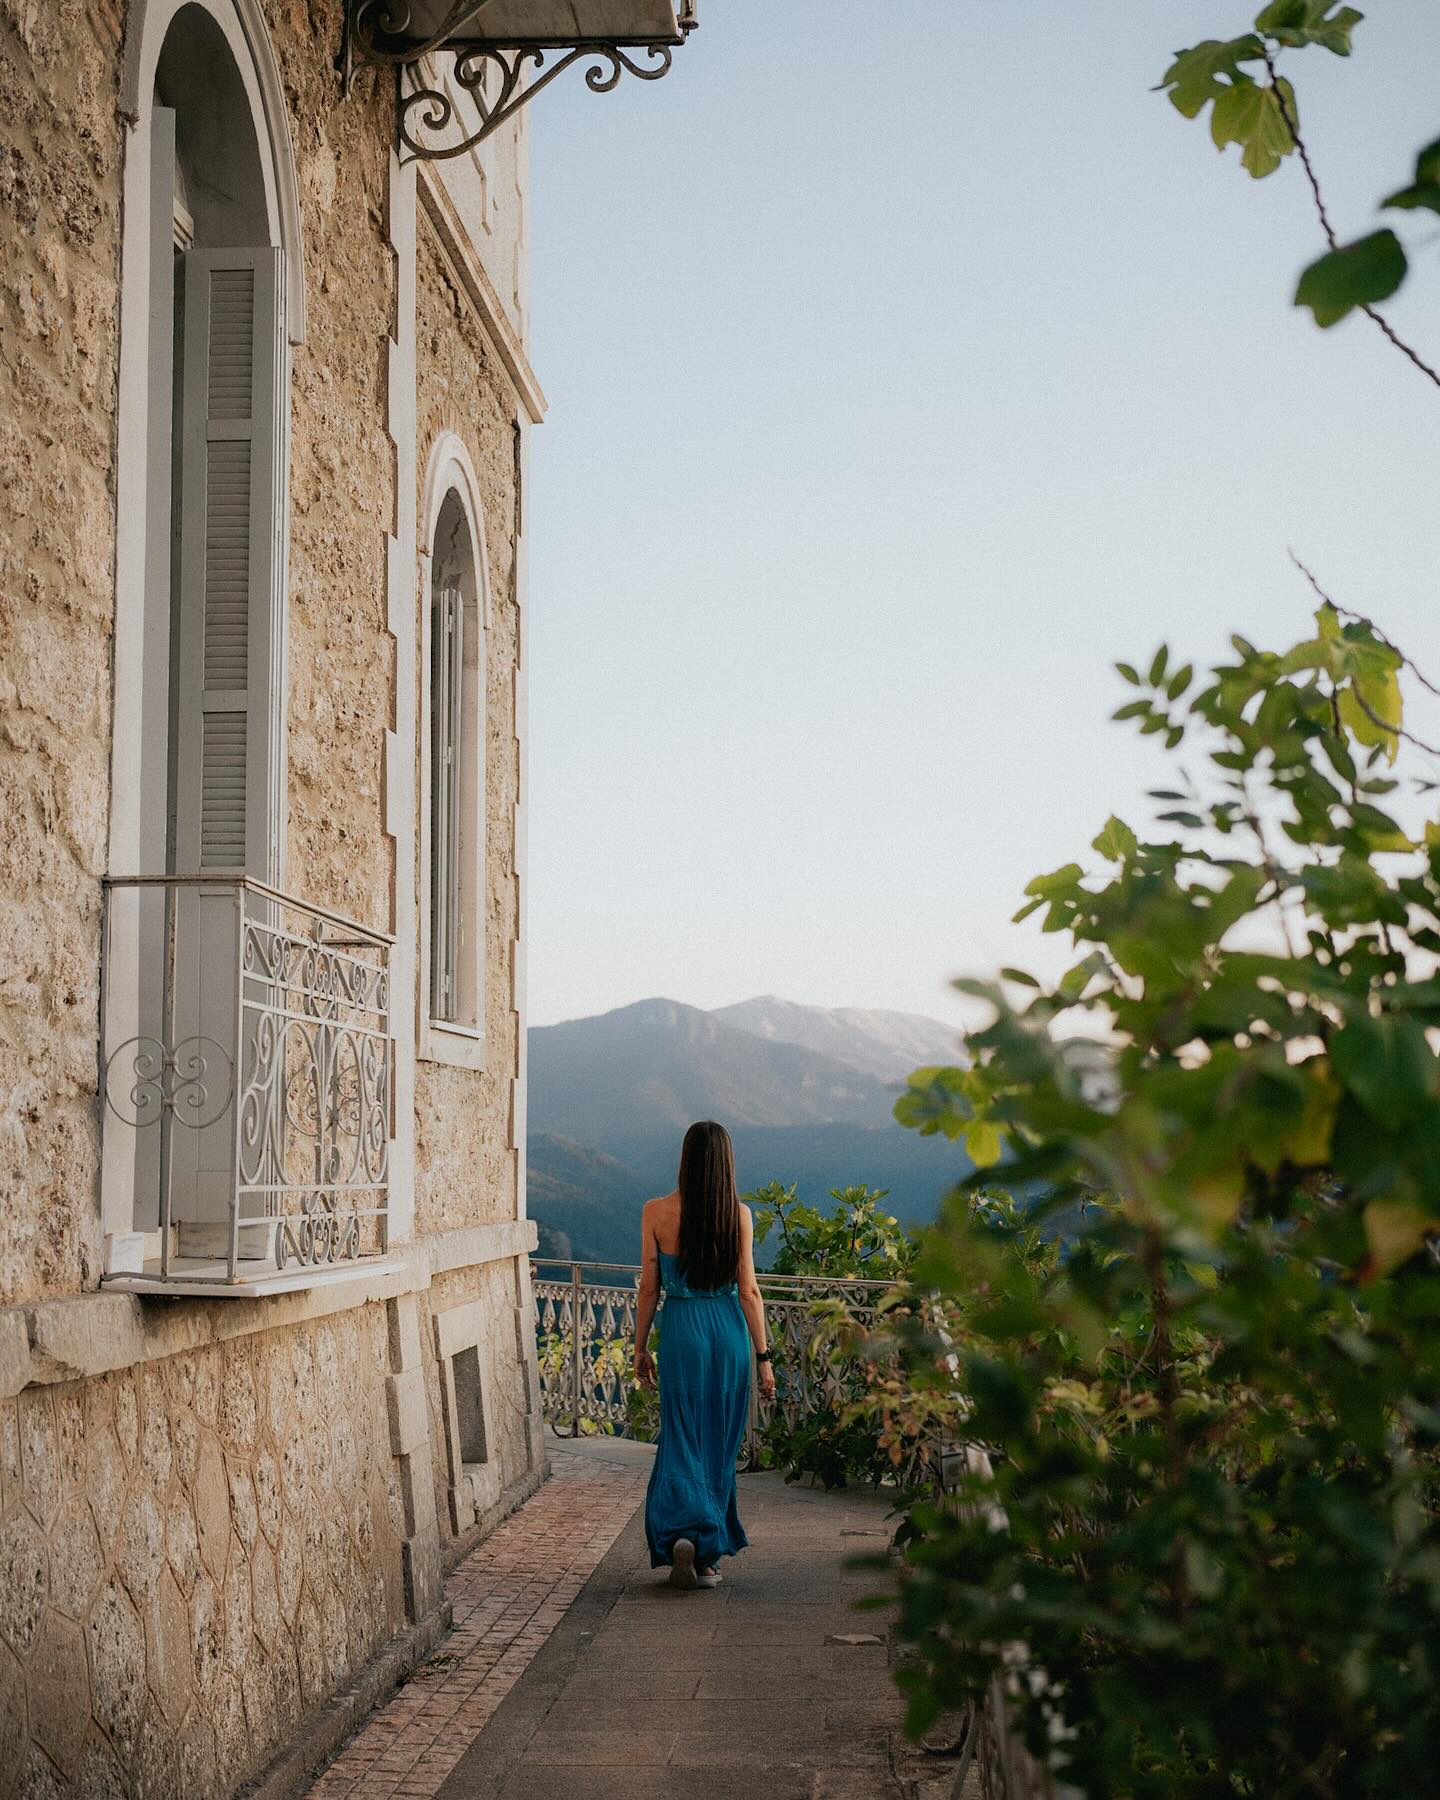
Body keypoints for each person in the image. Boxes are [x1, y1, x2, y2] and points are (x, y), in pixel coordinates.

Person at [634, 1119, 775, 1589]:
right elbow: (750, 1292)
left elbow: (649, 1289)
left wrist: (639, 1347)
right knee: (718, 1442)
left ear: (685, 1160)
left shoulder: (655, 1212)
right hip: (728, 1333)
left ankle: (681, 1531)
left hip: (681, 1332)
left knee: (681, 1435)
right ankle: (708, 1557)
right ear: (726, 1164)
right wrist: (764, 1357)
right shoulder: (739, 1215)